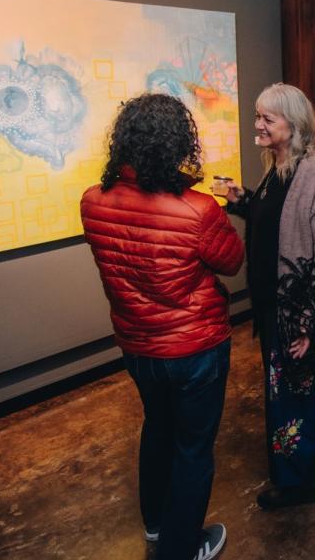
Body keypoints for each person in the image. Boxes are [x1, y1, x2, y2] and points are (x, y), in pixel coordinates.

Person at [81, 93, 244, 560]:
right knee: (193, 448)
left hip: (137, 347)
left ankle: (155, 527)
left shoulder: (93, 202)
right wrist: (212, 207)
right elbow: (231, 262)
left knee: (157, 430)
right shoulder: (197, 209)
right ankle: (181, 549)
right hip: (195, 347)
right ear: (177, 143)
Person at [224, 83, 315, 510]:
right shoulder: (278, 164)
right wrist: (243, 202)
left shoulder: (314, 173)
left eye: (266, 118)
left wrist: (309, 324)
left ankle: (301, 481)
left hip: (299, 310)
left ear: (293, 125)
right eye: (257, 115)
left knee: (291, 394)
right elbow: (270, 216)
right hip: (275, 305)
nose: (257, 124)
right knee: (296, 390)